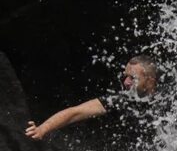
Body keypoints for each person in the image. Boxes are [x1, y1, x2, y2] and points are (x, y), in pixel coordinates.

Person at [25, 55, 159, 140]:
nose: (126, 82)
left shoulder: (170, 100)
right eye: (125, 76)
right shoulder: (121, 100)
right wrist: (42, 129)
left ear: (150, 81)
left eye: (133, 78)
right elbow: (75, 112)